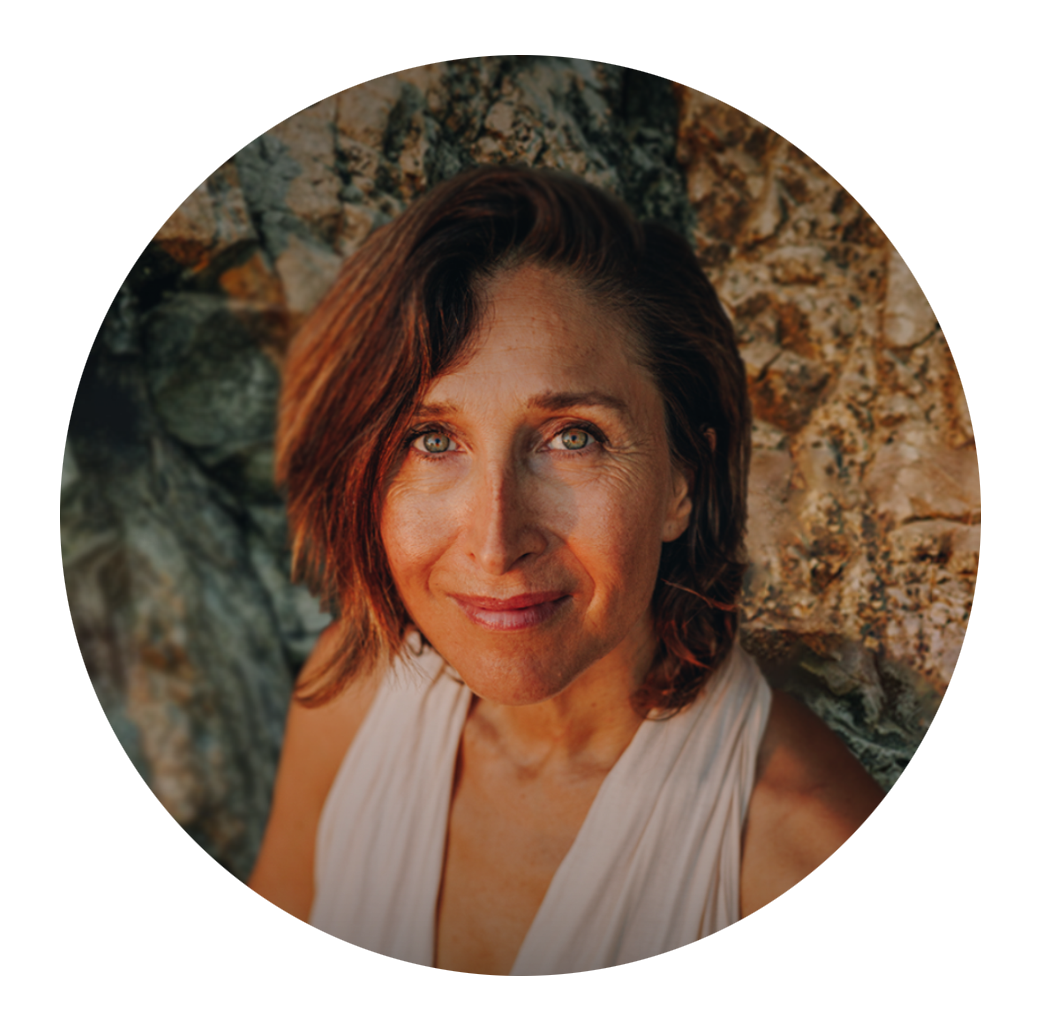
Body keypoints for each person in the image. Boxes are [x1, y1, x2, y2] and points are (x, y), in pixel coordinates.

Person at [247, 164, 884, 974]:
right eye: (431, 440)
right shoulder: (348, 699)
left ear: (682, 482)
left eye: (571, 437)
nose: (494, 542)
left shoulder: (796, 849)